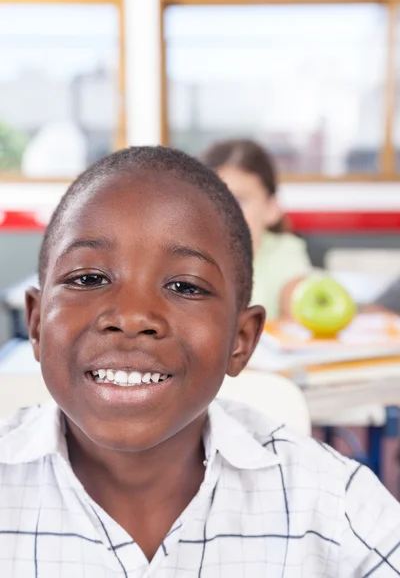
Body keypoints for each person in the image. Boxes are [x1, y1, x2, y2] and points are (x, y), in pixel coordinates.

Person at [0, 146, 399, 577]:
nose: (132, 317)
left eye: (185, 286)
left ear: (240, 340)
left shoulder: (334, 508)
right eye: (89, 278)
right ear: (37, 324)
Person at [201, 139, 312, 319]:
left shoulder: (285, 252)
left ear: (271, 209)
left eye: (238, 201)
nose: (223, 213)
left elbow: (295, 320)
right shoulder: (186, 256)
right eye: (211, 200)